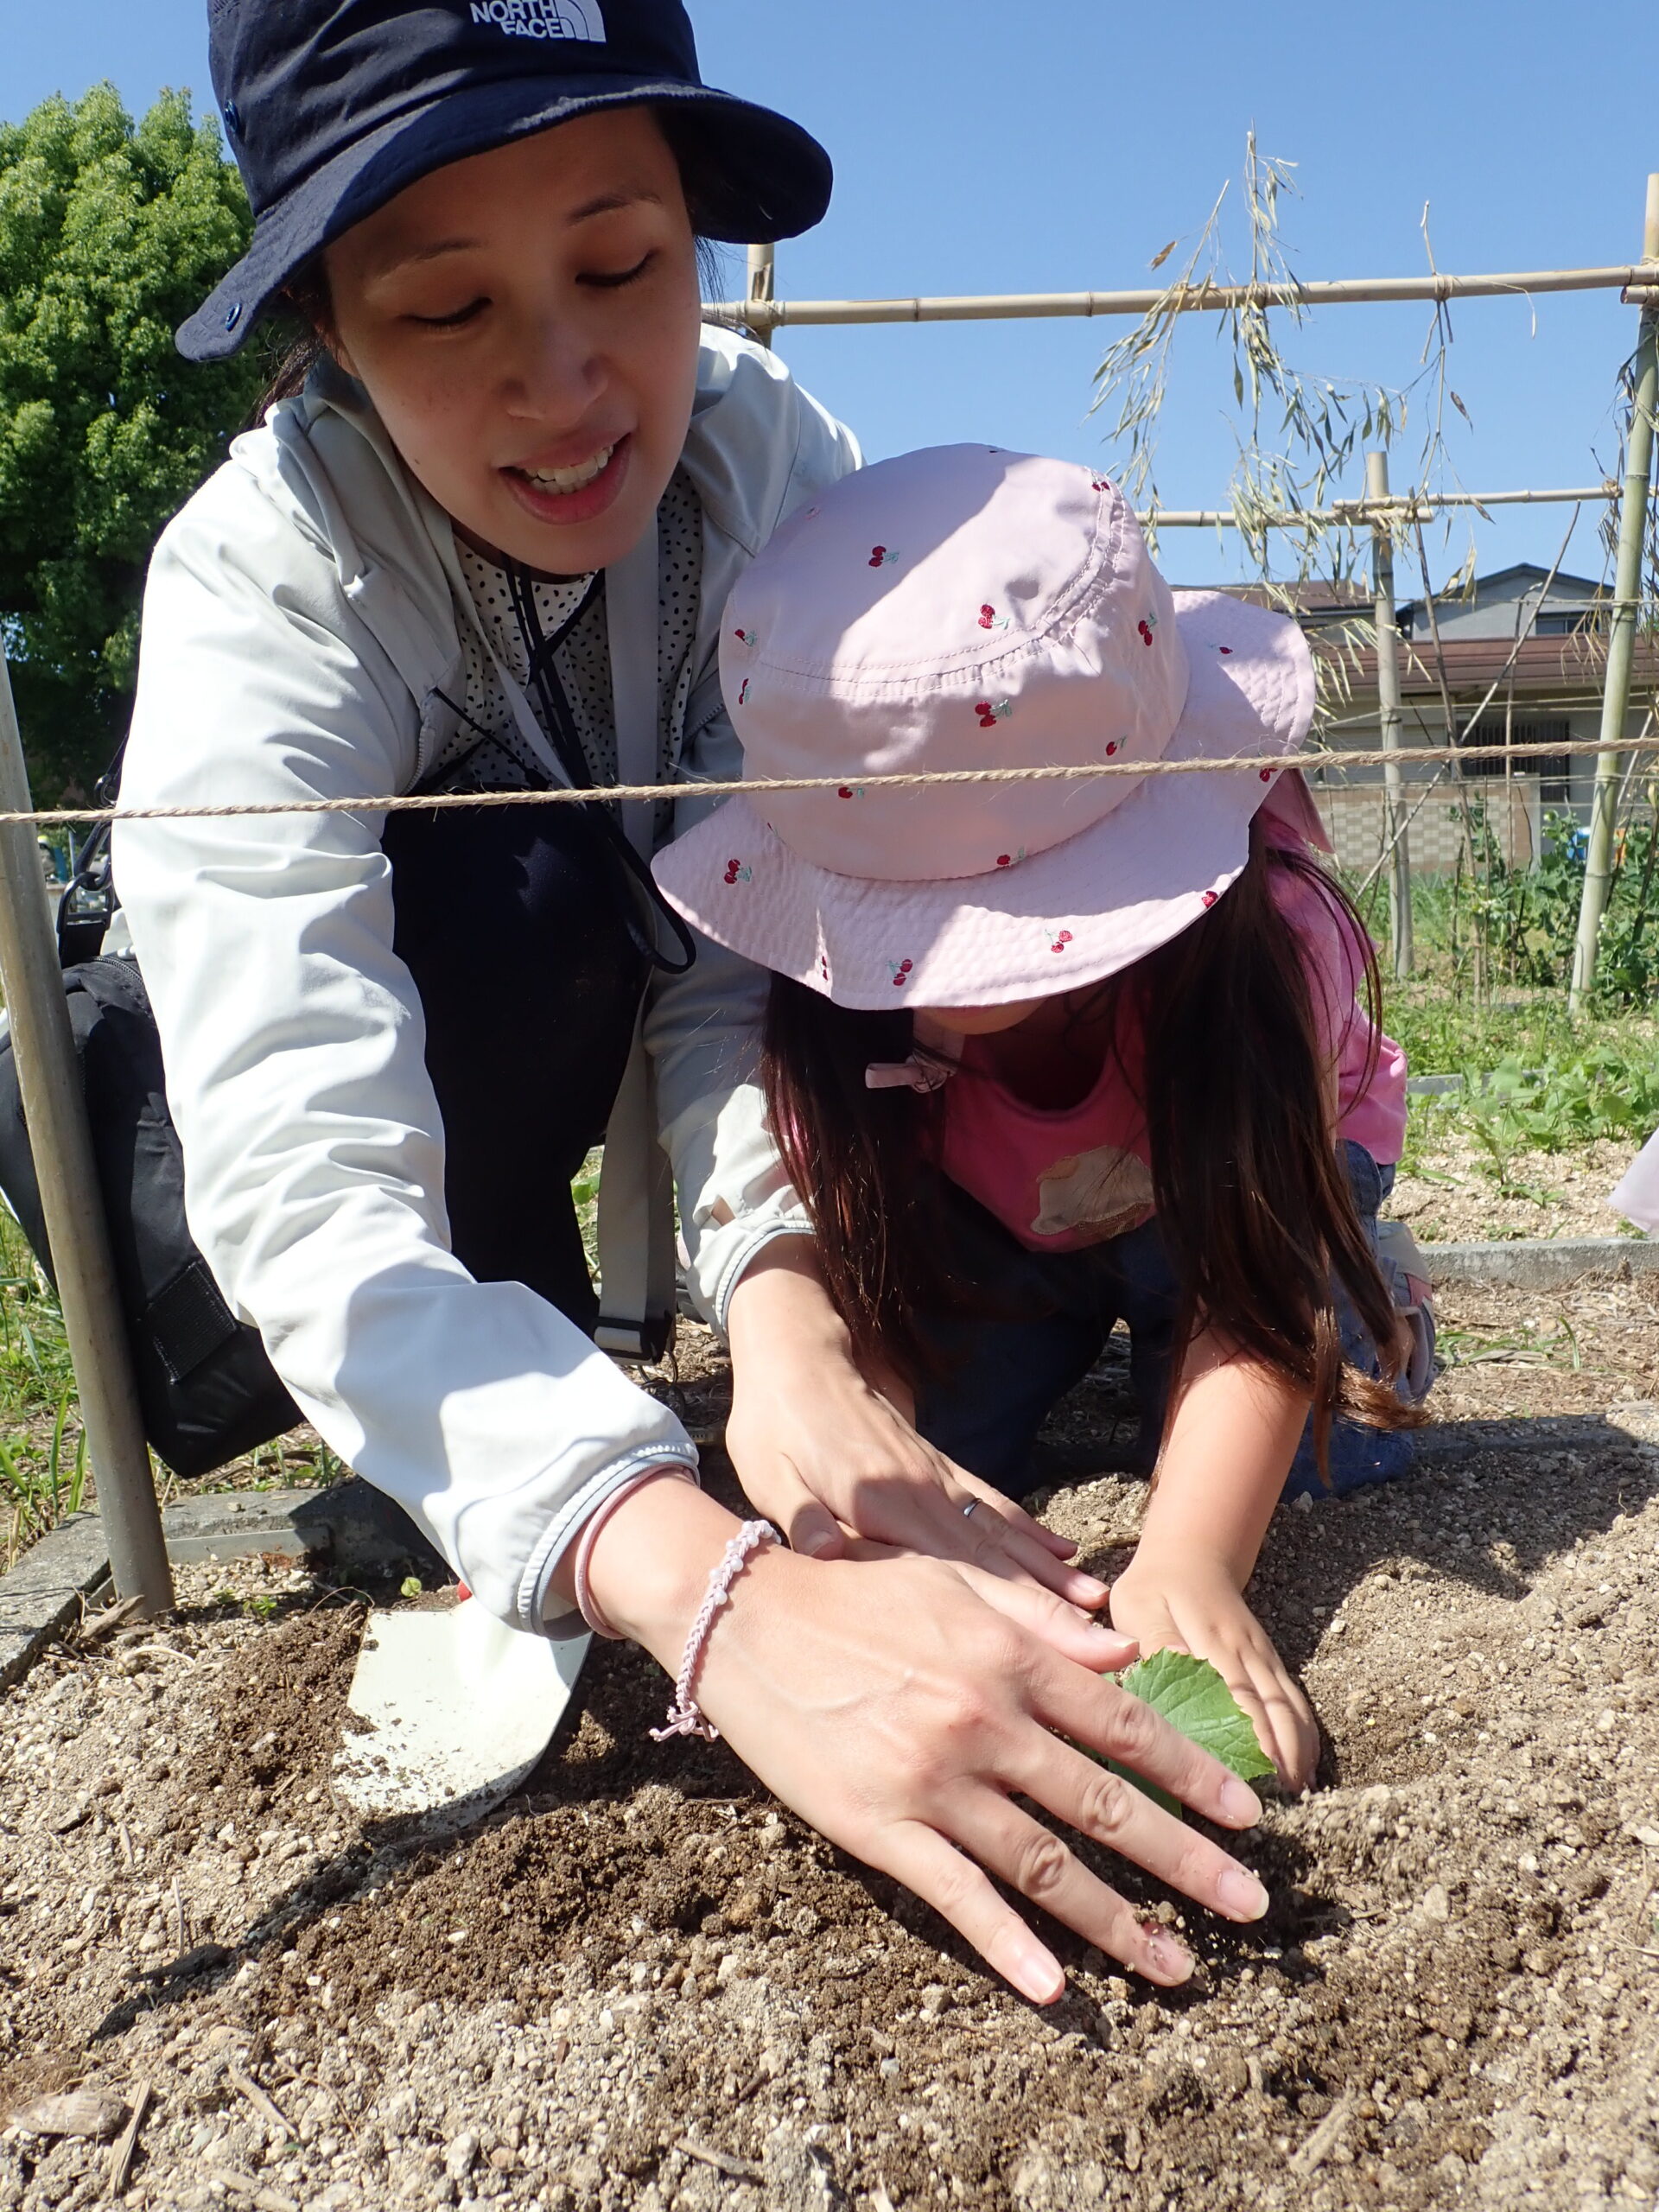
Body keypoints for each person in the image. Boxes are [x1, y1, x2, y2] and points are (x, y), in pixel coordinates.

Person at [114, 2, 1274, 2005]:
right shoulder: (264, 588)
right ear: (324, 322)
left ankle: (566, 1428)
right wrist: (715, 1588)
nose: (567, 382)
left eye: (622, 263)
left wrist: (786, 1306)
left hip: (620, 984)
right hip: (311, 1114)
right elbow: (305, 1166)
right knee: (519, 884)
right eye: (447, 305)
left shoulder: (768, 470)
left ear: (697, 229)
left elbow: (757, 936)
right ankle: (497, 1431)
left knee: (693, 894)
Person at [654, 443, 1438, 1794]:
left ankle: (1378, 1291)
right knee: (953, 1469)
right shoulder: (828, 1025)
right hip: (990, 1211)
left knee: (1332, 1440)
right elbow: (865, 1276)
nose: (934, 981)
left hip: (1243, 1196)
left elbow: (1253, 1288)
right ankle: (1089, 1324)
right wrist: (886, 1502)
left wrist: (1188, 1561)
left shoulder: (1269, 952)